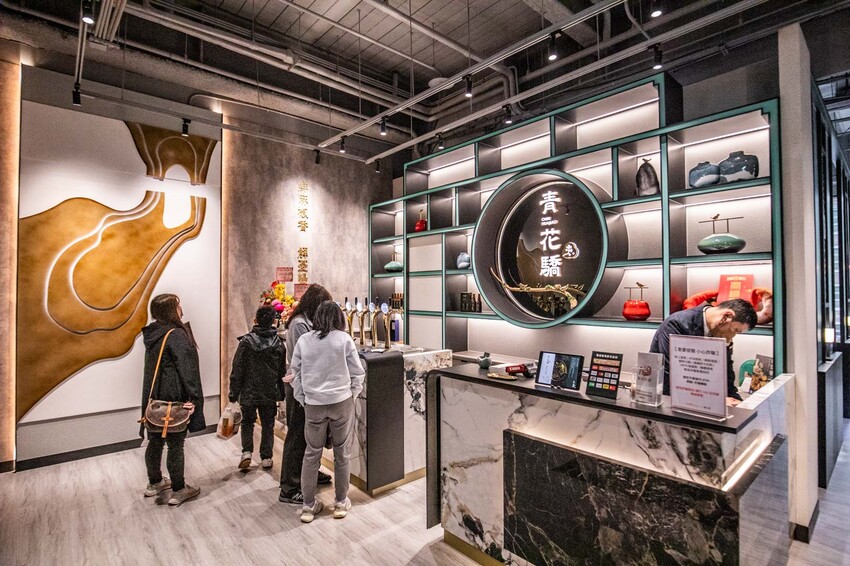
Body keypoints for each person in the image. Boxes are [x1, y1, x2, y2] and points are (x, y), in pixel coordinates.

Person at [291, 301, 365, 523]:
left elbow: (295, 374)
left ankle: (308, 506)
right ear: (339, 318)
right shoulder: (344, 339)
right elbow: (357, 373)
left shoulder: (305, 340)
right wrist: (352, 395)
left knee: (311, 453)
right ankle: (341, 502)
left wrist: (303, 399)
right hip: (341, 401)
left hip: (313, 403)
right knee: (342, 453)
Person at [140, 293, 206, 506]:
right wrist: (194, 398)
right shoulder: (175, 335)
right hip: (174, 399)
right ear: (171, 310)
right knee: (176, 444)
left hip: (155, 400)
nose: (181, 309)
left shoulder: (153, 334)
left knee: (155, 441)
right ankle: (179, 489)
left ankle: (155, 482)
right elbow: (188, 370)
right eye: (178, 306)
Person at [278, 284, 334, 505]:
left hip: (310, 386)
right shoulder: (299, 324)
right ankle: (289, 487)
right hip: (299, 387)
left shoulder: (307, 322)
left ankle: (309, 472)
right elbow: (308, 357)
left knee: (312, 436)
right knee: (297, 436)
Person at [650, 298, 757, 404]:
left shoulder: (720, 332)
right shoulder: (677, 324)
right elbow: (672, 376)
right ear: (726, 317)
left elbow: (726, 374)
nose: (732, 336)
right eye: (735, 330)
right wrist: (716, 401)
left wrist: (738, 402)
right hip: (667, 401)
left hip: (704, 400)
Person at [229, 305, 286, 470]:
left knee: (248, 422)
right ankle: (266, 457)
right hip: (269, 391)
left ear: (256, 320)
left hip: (248, 390)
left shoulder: (246, 342)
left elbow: (237, 368)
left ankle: (247, 452)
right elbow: (281, 371)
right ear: (274, 321)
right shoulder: (278, 343)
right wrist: (281, 392)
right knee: (268, 424)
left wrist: (233, 392)